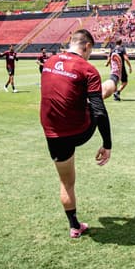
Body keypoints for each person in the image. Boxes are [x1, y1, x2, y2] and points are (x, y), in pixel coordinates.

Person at [39, 29, 115, 239]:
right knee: (102, 92)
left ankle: (74, 226)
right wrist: (107, 144)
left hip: (53, 133)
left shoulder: (49, 62)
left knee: (66, 183)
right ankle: (115, 77)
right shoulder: (87, 68)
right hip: (80, 131)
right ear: (88, 46)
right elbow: (99, 112)